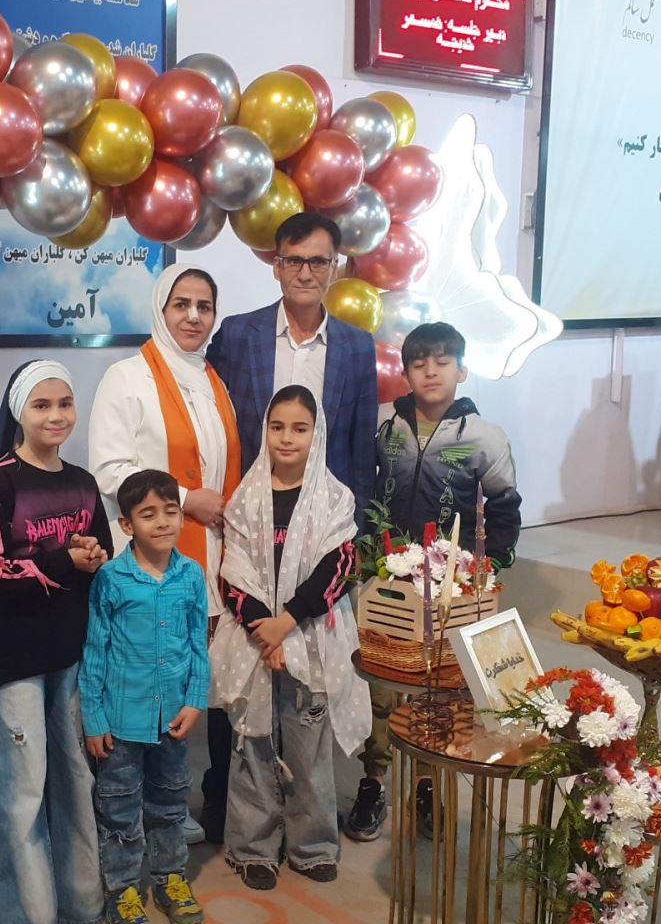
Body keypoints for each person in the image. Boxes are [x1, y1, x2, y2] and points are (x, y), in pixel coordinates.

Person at [203, 212, 378, 836]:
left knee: (310, 682)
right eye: (293, 260)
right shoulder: (238, 335)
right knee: (242, 658)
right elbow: (222, 428)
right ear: (275, 265)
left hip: (319, 533)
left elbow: (358, 445)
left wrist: (347, 541)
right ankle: (228, 799)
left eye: (318, 261)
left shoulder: (356, 346)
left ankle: (308, 816)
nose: (305, 272)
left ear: (336, 267)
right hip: (252, 525)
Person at [0, 360, 114, 924]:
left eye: (65, 403)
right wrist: (63, 557)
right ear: (19, 412)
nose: (56, 416)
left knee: (75, 779)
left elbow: (99, 552)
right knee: (22, 795)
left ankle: (76, 901)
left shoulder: (82, 483)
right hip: (14, 662)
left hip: (68, 654)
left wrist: (93, 557)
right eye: (42, 405)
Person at [346, 322, 523, 841]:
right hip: (385, 576)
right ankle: (373, 781)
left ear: (462, 371)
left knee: (436, 687)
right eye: (419, 363)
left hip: (448, 583)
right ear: (405, 373)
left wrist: (490, 566)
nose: (430, 371)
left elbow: (505, 504)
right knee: (381, 684)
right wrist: (362, 553)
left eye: (442, 362)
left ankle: (426, 783)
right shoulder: (384, 427)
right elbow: (360, 487)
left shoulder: (484, 436)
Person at [88, 265, 242, 845]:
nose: (194, 316)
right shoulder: (126, 378)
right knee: (139, 681)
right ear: (161, 308)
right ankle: (124, 814)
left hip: (203, 556)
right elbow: (109, 468)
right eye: (181, 304)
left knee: (180, 677)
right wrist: (183, 498)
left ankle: (167, 805)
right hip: (146, 567)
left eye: (205, 306)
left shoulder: (212, 380)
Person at [211, 386, 372, 889]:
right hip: (255, 639)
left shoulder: (334, 497)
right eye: (277, 427)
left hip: (311, 636)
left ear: (316, 434)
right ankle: (252, 847)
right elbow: (232, 572)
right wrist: (267, 631)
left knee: (309, 745)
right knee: (253, 742)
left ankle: (312, 844)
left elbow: (337, 567)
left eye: (299, 429)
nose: (286, 438)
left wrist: (288, 622)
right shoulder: (246, 497)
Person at [80, 469, 210, 924]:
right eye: (148, 514)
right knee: (118, 809)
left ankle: (171, 877)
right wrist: (94, 717)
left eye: (170, 512)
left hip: (172, 720)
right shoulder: (112, 580)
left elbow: (198, 643)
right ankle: (122, 891)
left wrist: (196, 699)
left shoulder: (191, 575)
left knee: (171, 803)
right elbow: (95, 651)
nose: (162, 522)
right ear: (127, 524)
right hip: (120, 724)